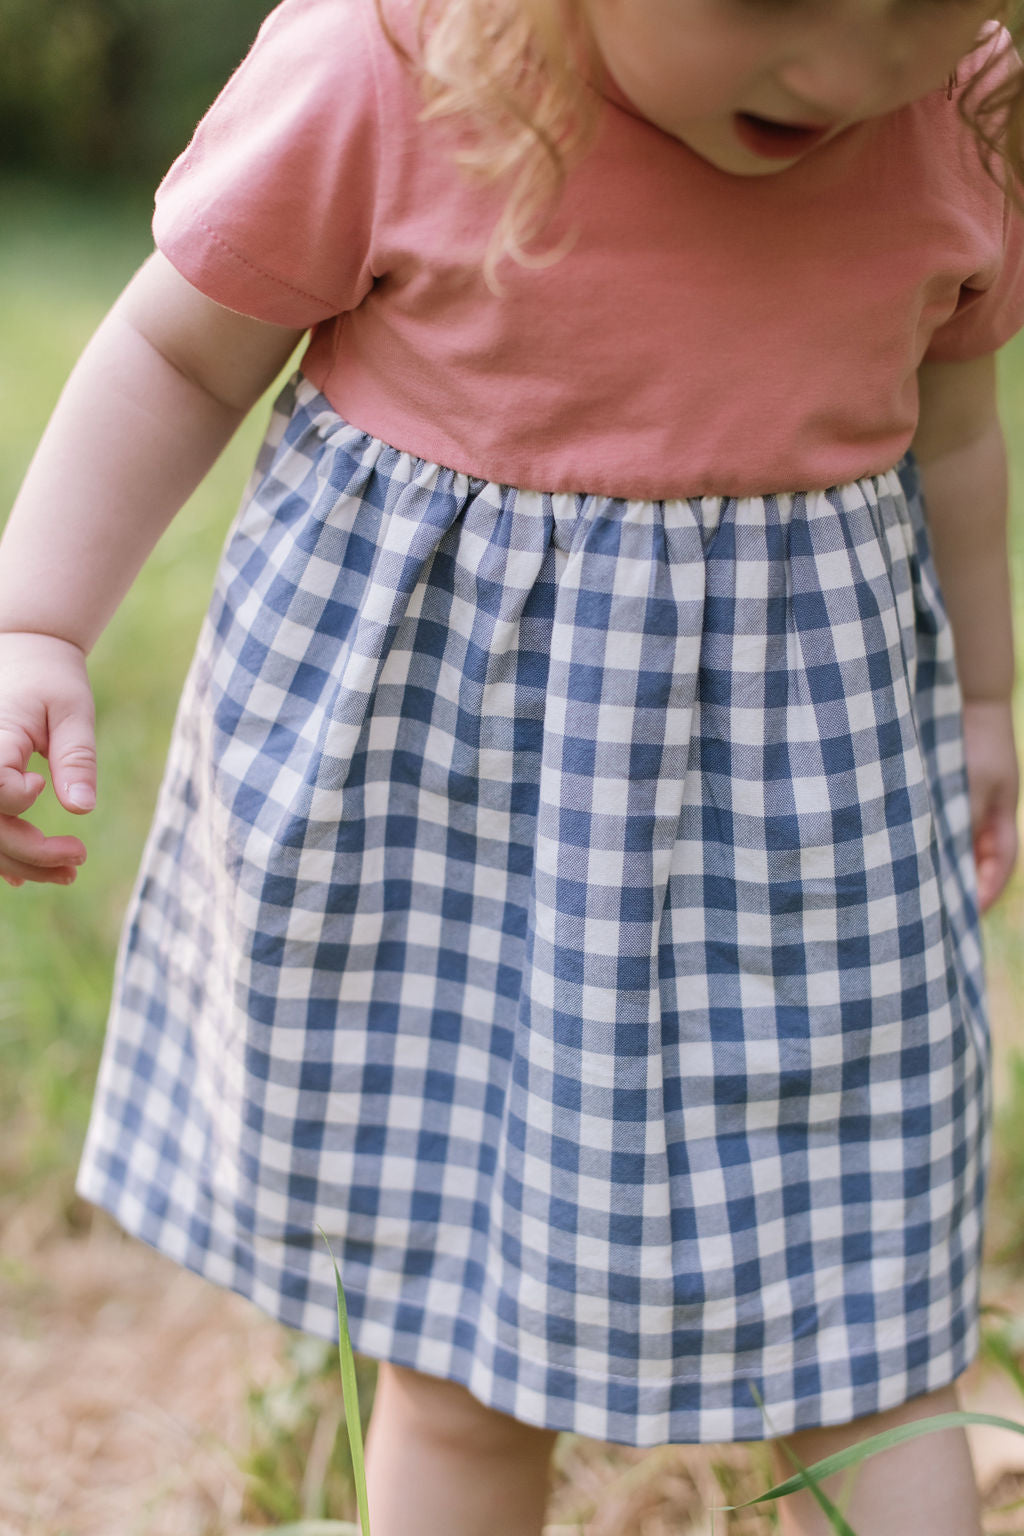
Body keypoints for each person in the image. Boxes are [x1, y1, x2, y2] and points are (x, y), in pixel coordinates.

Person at [1, 0, 1022, 1529]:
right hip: (458, 827)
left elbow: (952, 425)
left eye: (925, 3)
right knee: (465, 1361)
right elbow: (180, 353)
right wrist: (36, 623)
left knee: (867, 1330)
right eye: (767, 2)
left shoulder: (960, 112)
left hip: (805, 833)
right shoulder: (390, 71)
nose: (844, 69)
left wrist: (986, 697)